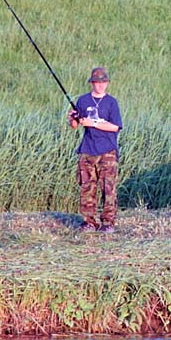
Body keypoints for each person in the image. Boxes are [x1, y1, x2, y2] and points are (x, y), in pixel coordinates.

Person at [67, 67, 123, 233]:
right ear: (92, 83)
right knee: (87, 187)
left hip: (108, 151)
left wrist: (93, 123)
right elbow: (75, 125)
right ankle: (89, 222)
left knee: (108, 188)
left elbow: (115, 127)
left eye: (103, 82)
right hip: (87, 149)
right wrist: (72, 119)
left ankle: (108, 222)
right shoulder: (83, 100)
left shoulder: (111, 102)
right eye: (97, 82)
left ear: (107, 83)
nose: (100, 85)